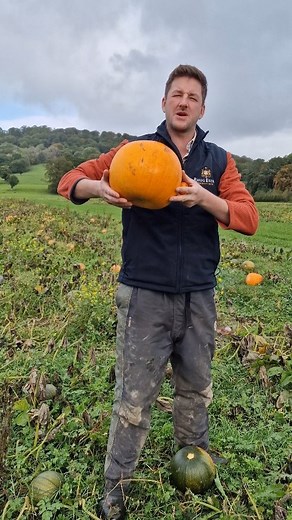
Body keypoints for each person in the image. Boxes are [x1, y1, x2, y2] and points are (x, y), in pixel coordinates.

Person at [57, 64, 259, 519]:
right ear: (164, 102)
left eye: (193, 96)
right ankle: (117, 486)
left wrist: (204, 198)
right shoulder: (134, 152)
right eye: (176, 94)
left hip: (198, 297)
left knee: (196, 388)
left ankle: (195, 464)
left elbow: (248, 218)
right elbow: (70, 180)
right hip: (144, 295)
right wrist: (98, 187)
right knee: (134, 395)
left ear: (202, 108)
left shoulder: (218, 161)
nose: (184, 101)